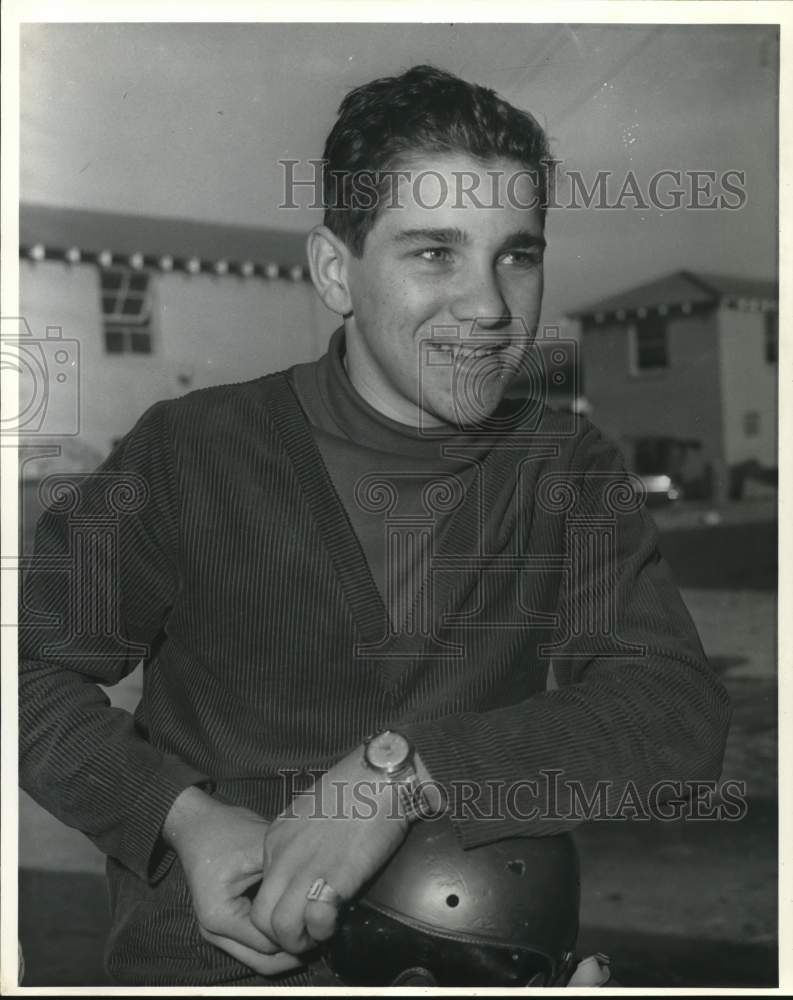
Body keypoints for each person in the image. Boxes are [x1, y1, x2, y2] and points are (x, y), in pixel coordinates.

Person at [19, 65, 731, 986]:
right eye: (433, 253)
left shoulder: (565, 467)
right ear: (333, 271)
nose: (486, 307)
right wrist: (179, 819)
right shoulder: (191, 452)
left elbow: (675, 710)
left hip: (477, 956)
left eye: (515, 253)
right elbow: (25, 667)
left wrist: (408, 772)